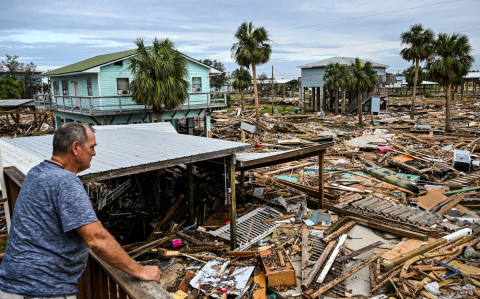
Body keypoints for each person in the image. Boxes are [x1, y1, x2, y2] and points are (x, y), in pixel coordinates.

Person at [0, 123, 161, 299]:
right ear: (75, 147)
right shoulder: (65, 181)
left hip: (13, 285)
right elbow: (95, 239)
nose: (94, 153)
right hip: (41, 290)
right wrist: (140, 271)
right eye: (92, 147)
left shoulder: (36, 173)